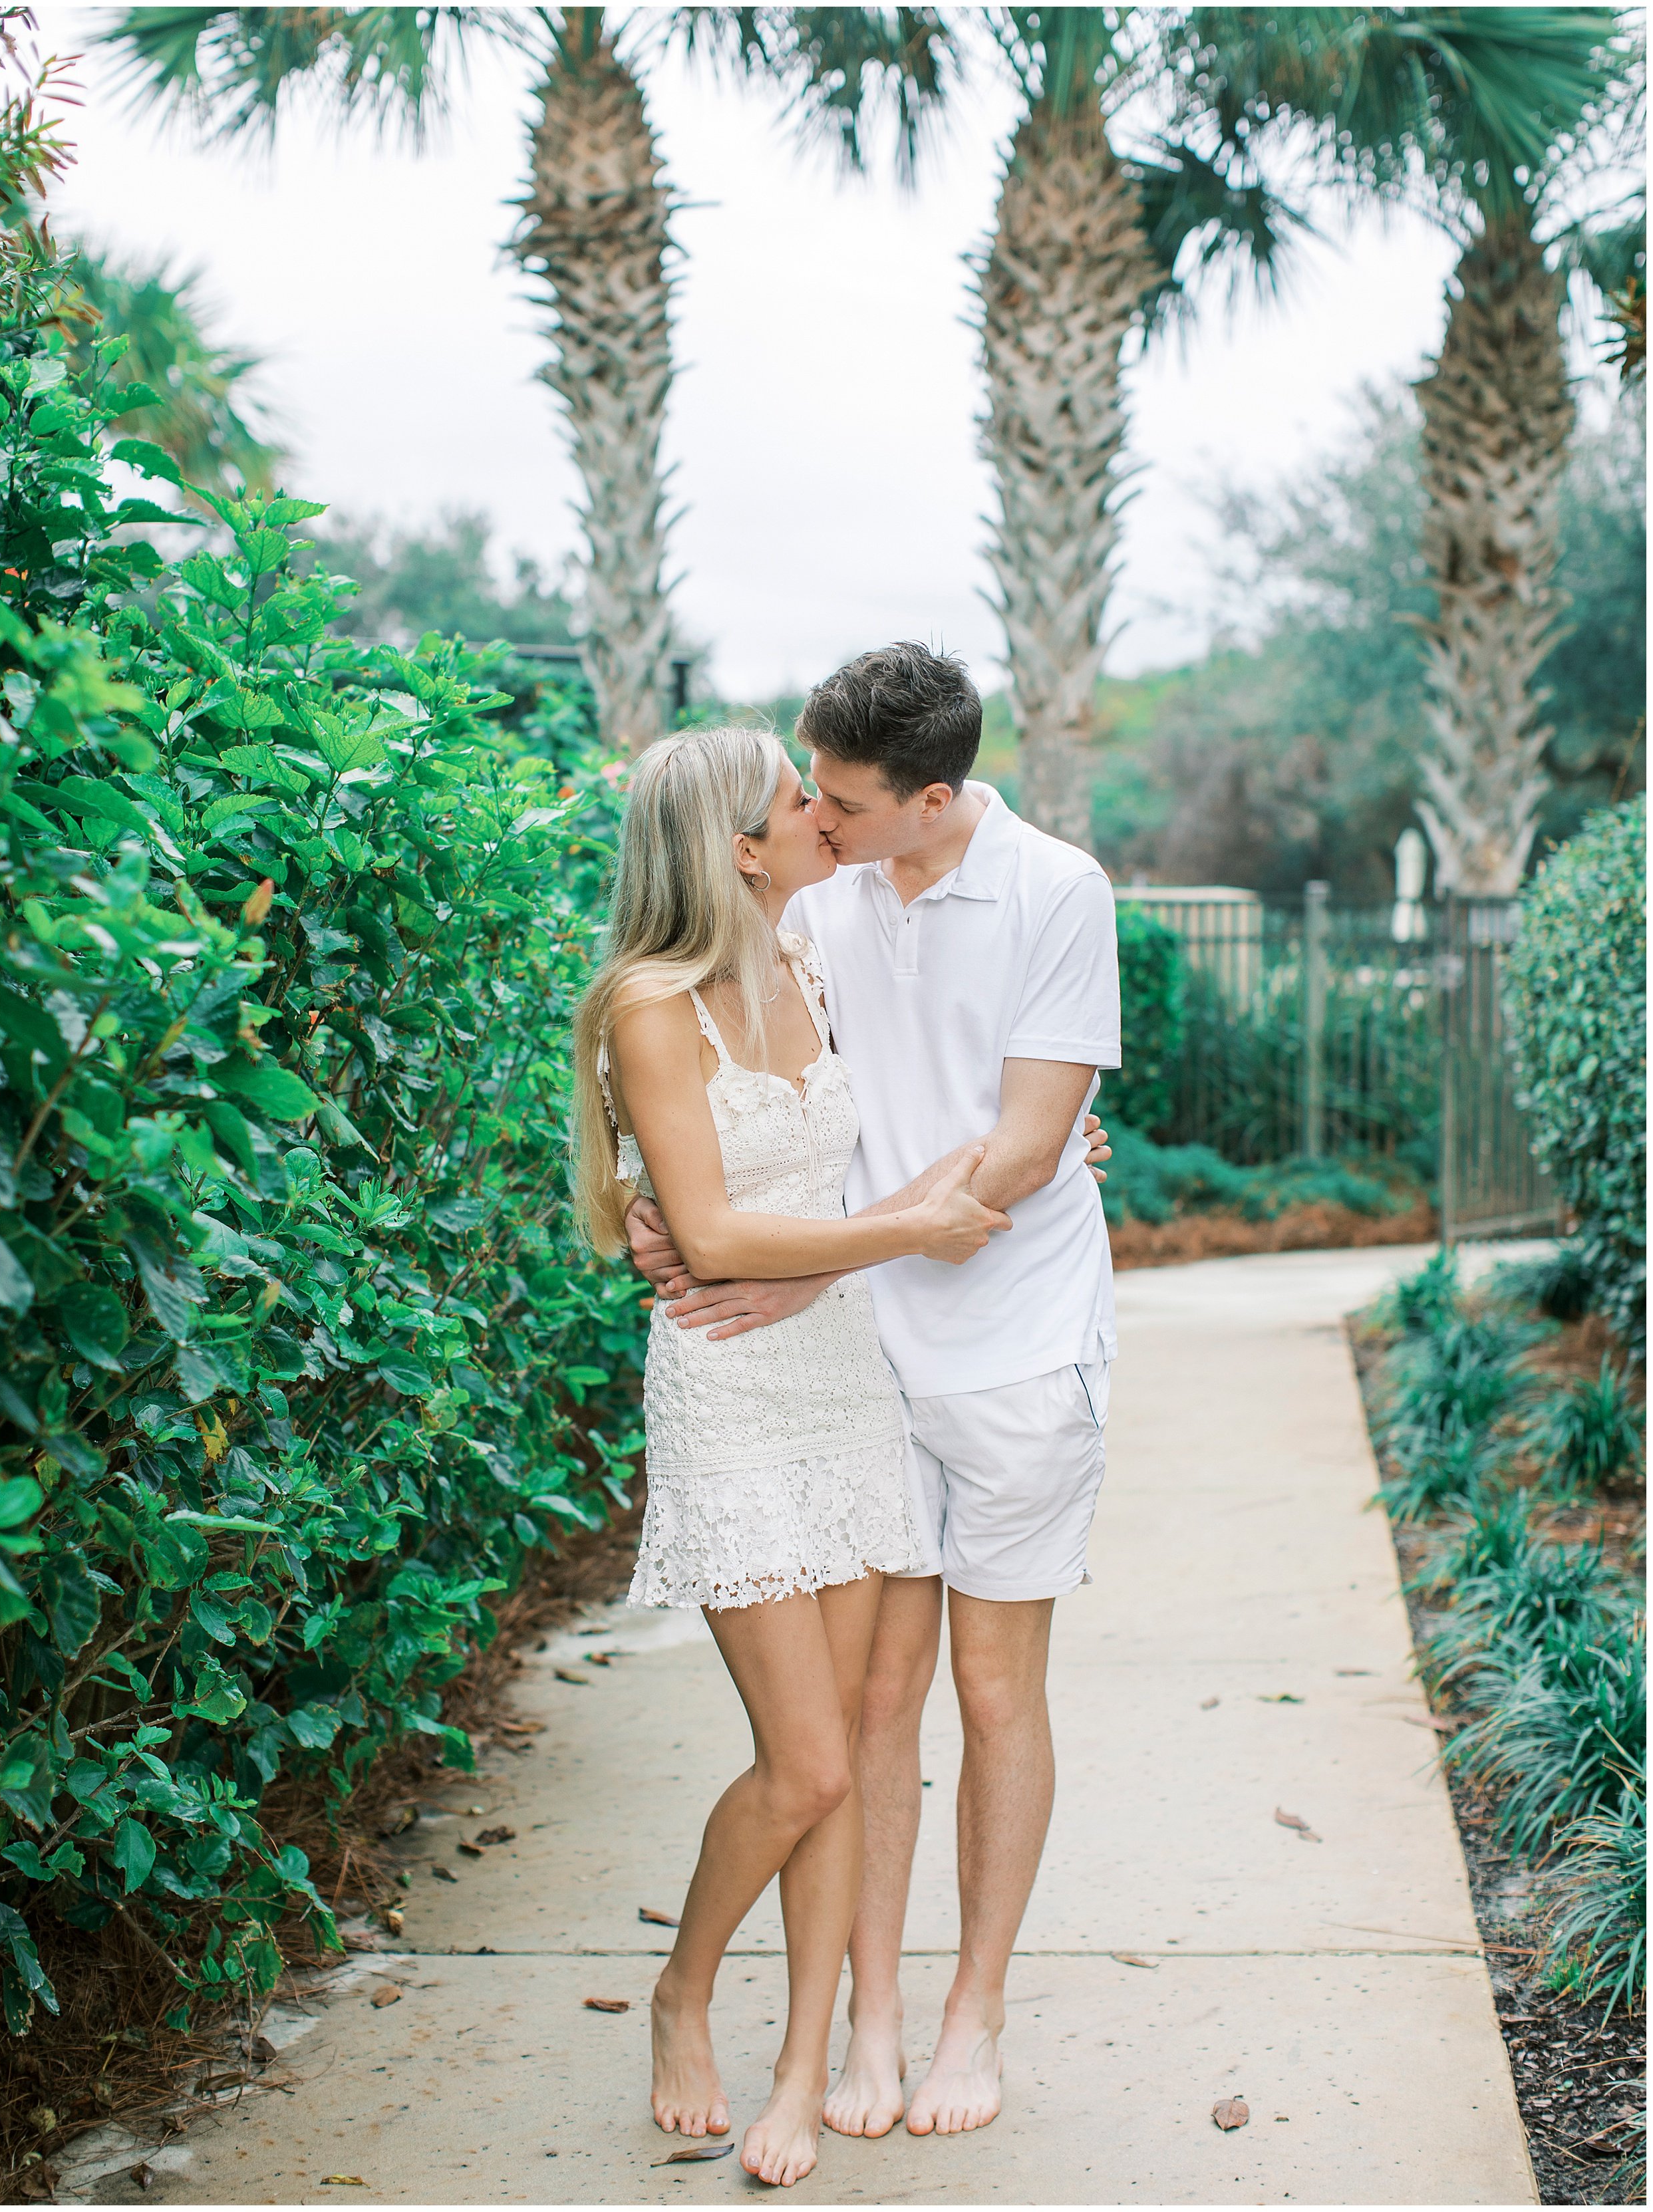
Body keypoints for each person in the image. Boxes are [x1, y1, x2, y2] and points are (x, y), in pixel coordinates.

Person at [628, 642, 1120, 2143]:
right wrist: (670, 1213)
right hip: (859, 1364)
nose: (817, 822)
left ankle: (970, 2009)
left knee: (990, 1691)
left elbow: (1027, 1148)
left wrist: (800, 1269)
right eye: (808, 798)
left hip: (1020, 1349)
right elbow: (738, 1106)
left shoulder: (1054, 889)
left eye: (839, 803)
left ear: (931, 799)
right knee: (870, 1710)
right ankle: (872, 2018)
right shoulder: (811, 903)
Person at [572, 725, 1010, 2189]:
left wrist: (1039, 1144)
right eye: (794, 801)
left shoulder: (811, 958)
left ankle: (797, 2073)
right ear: (736, 847)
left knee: (829, 1767)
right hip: (733, 1391)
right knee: (807, 1762)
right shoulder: (649, 1006)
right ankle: (683, 1991)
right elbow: (706, 1235)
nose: (824, 813)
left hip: (846, 1376)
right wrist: (907, 1229)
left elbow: (925, 1114)